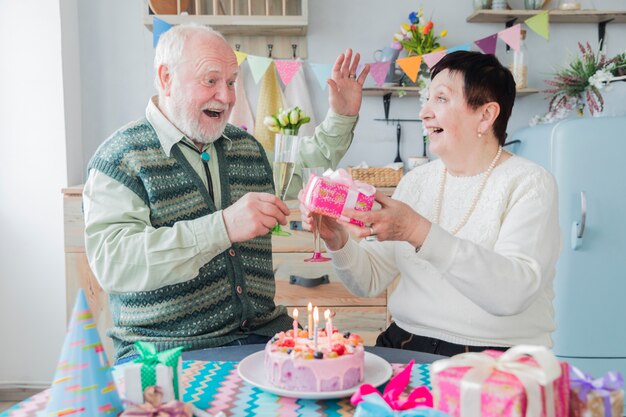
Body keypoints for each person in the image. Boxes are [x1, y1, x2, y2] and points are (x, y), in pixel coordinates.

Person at [82, 23, 370, 362]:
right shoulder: (120, 157)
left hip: (263, 341)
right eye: (211, 80)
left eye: (232, 81)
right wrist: (222, 228)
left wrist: (342, 115)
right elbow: (114, 263)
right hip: (163, 352)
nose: (227, 96)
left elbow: (306, 166)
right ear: (166, 78)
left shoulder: (246, 148)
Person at [302, 51, 561, 357]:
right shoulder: (416, 182)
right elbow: (369, 279)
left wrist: (417, 230)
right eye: (427, 99)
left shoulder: (529, 182)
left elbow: (512, 294)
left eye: (441, 98)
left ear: (486, 115)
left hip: (495, 358)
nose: (424, 112)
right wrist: (337, 240)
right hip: (406, 343)